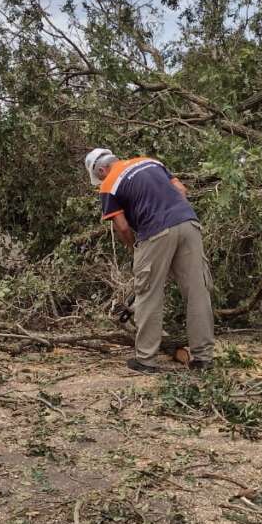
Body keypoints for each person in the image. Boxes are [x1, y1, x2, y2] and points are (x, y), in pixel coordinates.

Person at [84, 148, 215, 373]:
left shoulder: (109, 184)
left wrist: (135, 247)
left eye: (99, 177)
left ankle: (146, 360)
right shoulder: (151, 162)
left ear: (102, 170)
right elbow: (181, 190)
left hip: (155, 231)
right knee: (197, 291)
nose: (100, 181)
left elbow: (123, 226)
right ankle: (203, 358)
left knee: (148, 294)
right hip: (188, 222)